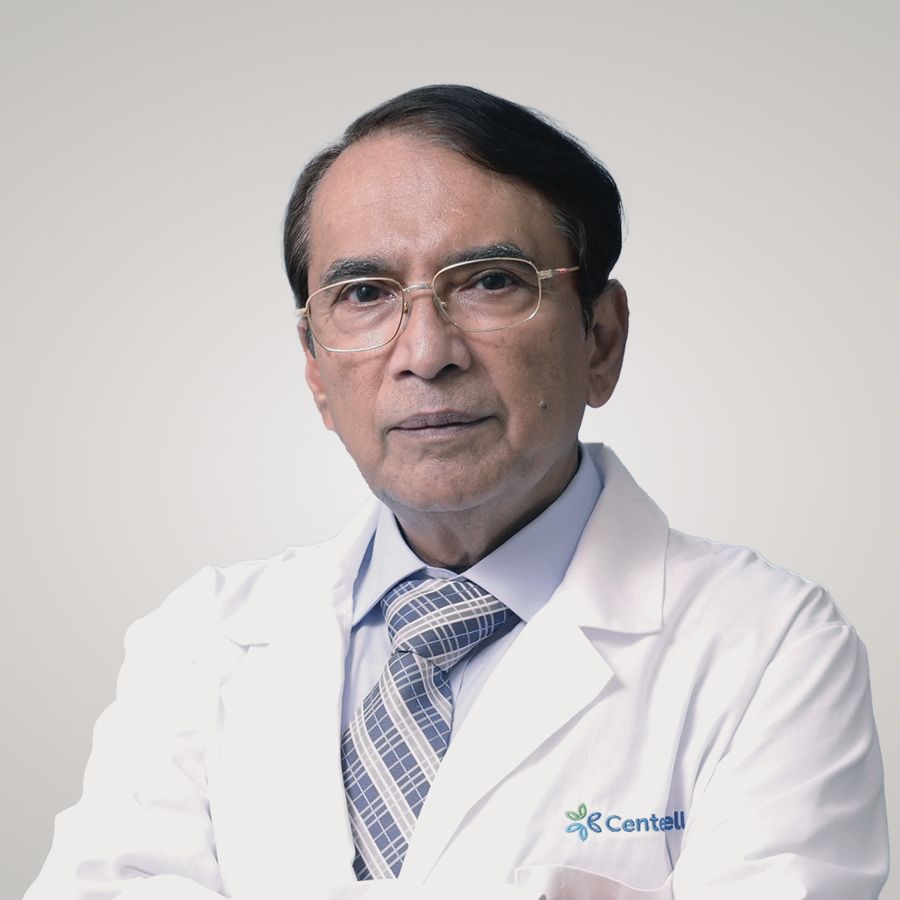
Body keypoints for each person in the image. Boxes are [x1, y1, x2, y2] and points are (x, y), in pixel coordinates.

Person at [25, 85, 888, 900]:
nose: (426, 352)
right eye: (366, 294)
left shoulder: (771, 649)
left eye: (490, 281)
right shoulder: (201, 643)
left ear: (600, 339)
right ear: (317, 373)